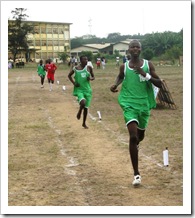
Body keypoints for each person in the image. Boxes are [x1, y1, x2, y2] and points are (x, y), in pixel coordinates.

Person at [110, 39, 162, 186]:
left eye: (137, 47)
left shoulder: (148, 65)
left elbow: (159, 83)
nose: (134, 49)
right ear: (128, 50)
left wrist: (145, 74)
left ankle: (137, 142)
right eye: (132, 47)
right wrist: (115, 84)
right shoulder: (124, 66)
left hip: (144, 105)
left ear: (140, 49)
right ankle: (136, 174)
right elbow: (120, 76)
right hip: (129, 104)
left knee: (140, 136)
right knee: (133, 136)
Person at [68, 55, 95, 129]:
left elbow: (93, 77)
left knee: (86, 108)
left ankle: (84, 123)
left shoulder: (89, 68)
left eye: (87, 59)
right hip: (79, 90)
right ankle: (79, 111)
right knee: (83, 102)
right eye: (84, 59)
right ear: (80, 60)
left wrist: (91, 78)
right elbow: (69, 75)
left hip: (88, 90)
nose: (86, 61)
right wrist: (74, 83)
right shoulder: (76, 68)